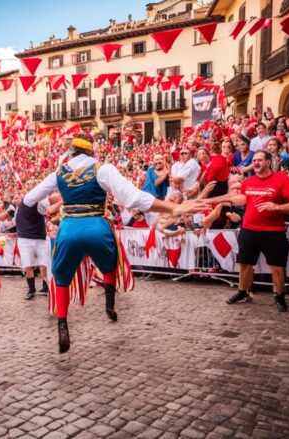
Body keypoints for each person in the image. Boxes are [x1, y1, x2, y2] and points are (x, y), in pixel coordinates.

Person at [23, 136, 205, 353]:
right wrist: (172, 208)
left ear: (71, 154)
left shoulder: (59, 173)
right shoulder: (102, 169)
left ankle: (62, 322)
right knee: (110, 263)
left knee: (61, 277)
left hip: (69, 228)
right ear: (90, 154)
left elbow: (29, 199)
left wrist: (57, 200)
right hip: (97, 227)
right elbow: (134, 197)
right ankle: (110, 305)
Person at [206, 150, 289, 312]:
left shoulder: (281, 179)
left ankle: (279, 296)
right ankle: (242, 292)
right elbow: (243, 199)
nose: (256, 163)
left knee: (277, 268)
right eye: (254, 161)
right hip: (249, 230)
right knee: (245, 264)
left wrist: (277, 207)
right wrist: (219, 199)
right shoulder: (249, 181)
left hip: (273, 232)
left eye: (260, 160)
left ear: (268, 162)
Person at [15, 187, 51, 300]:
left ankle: (47, 287)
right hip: (25, 239)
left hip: (40, 238)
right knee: (27, 266)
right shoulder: (20, 207)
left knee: (44, 266)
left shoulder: (41, 205)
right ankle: (31, 290)